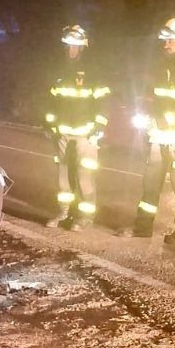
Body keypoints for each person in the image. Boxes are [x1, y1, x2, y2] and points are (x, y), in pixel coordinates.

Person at [124, 17, 175, 253]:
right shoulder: (160, 66)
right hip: (158, 134)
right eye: (164, 41)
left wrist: (162, 120)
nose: (166, 45)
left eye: (170, 41)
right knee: (150, 183)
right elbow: (152, 97)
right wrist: (146, 113)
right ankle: (142, 227)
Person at [45, 24, 110, 230]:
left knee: (85, 178)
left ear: (82, 48)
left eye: (75, 47)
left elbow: (103, 102)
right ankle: (64, 213)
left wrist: (99, 126)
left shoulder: (94, 70)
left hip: (86, 134)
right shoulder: (59, 70)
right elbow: (51, 101)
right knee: (63, 177)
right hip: (63, 133)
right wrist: (50, 124)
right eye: (68, 46)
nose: (70, 50)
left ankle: (84, 217)